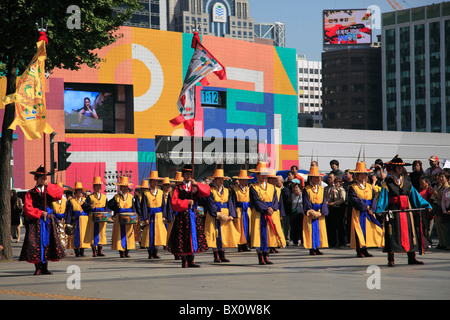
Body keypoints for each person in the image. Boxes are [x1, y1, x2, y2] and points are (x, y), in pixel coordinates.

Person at [375, 155, 432, 267]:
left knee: (411, 234)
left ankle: (412, 257)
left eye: (401, 167)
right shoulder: (388, 182)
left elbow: (415, 196)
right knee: (392, 234)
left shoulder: (407, 181)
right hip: (394, 212)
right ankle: (391, 259)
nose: (401, 169)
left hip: (406, 212)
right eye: (398, 167)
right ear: (394, 168)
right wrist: (380, 209)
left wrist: (426, 204)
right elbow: (383, 197)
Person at [19, 166, 65, 275]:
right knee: (36, 243)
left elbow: (59, 193)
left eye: (44, 178)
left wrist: (48, 185)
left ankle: (45, 267)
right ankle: (38, 267)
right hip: (36, 221)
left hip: (48, 220)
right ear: (36, 178)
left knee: (48, 242)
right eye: (40, 178)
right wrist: (39, 213)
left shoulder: (49, 190)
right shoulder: (30, 193)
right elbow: (27, 208)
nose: (43, 180)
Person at [167, 165, 210, 267]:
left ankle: (191, 259)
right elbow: (174, 202)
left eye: (190, 174)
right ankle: (184, 260)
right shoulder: (178, 187)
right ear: (183, 175)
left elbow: (207, 191)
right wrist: (186, 202)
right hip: (183, 216)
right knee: (183, 237)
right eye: (186, 174)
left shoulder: (195, 187)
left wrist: (197, 184)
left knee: (193, 236)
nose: (188, 176)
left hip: (193, 215)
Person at [248, 161, 284, 265]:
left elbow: (274, 200)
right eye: (261, 174)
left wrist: (272, 208)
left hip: (270, 214)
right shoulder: (253, 188)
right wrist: (266, 209)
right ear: (257, 175)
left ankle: (267, 256)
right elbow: (255, 201)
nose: (263, 177)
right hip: (259, 214)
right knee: (259, 233)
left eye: (265, 174)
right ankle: (260, 257)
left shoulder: (272, 187)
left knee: (269, 234)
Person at [347, 161, 383, 257]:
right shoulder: (353, 187)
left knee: (368, 230)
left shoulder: (369, 186)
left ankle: (365, 249)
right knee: (359, 230)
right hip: (359, 212)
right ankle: (359, 250)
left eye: (365, 175)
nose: (364, 176)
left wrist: (372, 208)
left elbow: (373, 198)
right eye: (361, 175)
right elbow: (354, 199)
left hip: (369, 211)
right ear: (357, 176)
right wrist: (365, 207)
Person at [205, 168, 239, 263]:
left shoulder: (227, 191)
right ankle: (216, 256)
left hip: (226, 213)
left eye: (222, 179)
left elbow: (230, 203)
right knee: (215, 234)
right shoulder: (210, 190)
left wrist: (232, 214)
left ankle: (222, 255)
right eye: (219, 179)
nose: (221, 181)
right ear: (214, 180)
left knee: (224, 234)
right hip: (215, 215)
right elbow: (210, 204)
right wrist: (218, 215)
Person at [108, 176, 138, 258]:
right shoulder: (116, 197)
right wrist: (116, 207)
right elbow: (109, 205)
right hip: (119, 219)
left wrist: (134, 216)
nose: (125, 188)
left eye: (126, 187)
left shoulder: (131, 197)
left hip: (129, 218)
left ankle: (127, 251)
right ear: (120, 188)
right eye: (123, 187)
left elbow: (134, 208)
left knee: (129, 234)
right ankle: (121, 251)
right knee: (119, 234)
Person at [302, 165, 329, 255]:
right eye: (315, 177)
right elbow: (306, 201)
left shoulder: (321, 189)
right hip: (311, 212)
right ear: (311, 178)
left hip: (319, 212)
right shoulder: (307, 189)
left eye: (318, 177)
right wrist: (311, 211)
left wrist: (323, 211)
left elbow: (324, 201)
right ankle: (311, 248)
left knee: (319, 230)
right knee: (311, 231)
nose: (317, 179)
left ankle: (317, 247)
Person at [141, 171, 167, 259]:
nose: (155, 183)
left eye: (156, 181)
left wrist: (164, 216)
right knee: (149, 234)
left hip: (159, 215)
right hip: (150, 215)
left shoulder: (160, 192)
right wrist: (145, 218)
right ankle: (150, 252)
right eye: (153, 181)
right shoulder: (146, 193)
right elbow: (144, 207)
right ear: (150, 182)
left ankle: (155, 252)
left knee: (158, 234)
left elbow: (164, 205)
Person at [82, 176, 109, 257]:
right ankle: (94, 251)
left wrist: (107, 214)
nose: (98, 187)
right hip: (93, 218)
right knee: (92, 233)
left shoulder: (104, 197)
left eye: (99, 186)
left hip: (102, 217)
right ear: (93, 187)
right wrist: (90, 207)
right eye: (97, 186)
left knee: (101, 233)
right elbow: (84, 206)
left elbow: (107, 207)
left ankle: (100, 250)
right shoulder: (90, 197)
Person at [66, 182, 91, 257]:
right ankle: (76, 251)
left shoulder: (85, 200)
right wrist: (68, 222)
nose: (80, 193)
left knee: (83, 236)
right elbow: (69, 212)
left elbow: (88, 210)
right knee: (74, 236)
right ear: (75, 193)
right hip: (75, 220)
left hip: (84, 221)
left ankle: (82, 251)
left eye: (81, 191)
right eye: (78, 191)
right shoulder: (71, 201)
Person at [230, 169, 253, 252]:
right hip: (239, 210)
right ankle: (240, 245)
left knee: (248, 228)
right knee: (240, 228)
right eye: (242, 180)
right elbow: (233, 202)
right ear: (239, 180)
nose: (244, 181)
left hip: (247, 210)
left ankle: (246, 244)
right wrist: (233, 213)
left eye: (245, 179)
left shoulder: (249, 189)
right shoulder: (235, 190)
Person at [267, 173, 287, 253]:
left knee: (277, 229)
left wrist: (281, 214)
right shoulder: (267, 189)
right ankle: (270, 245)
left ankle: (276, 244)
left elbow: (280, 203)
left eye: (274, 179)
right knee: (270, 229)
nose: (272, 180)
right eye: (271, 179)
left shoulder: (278, 190)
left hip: (276, 212)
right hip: (269, 211)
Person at [325, 175, 347, 248]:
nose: (337, 183)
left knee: (340, 226)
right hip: (331, 208)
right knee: (332, 226)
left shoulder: (340, 189)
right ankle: (332, 242)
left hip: (339, 208)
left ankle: (342, 242)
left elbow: (343, 199)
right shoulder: (327, 188)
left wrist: (335, 203)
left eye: (338, 182)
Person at [418, 175, 435, 248]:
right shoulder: (419, 190)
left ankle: (429, 241)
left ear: (427, 183)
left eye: (422, 183)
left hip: (428, 210)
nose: (421, 184)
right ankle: (425, 242)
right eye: (420, 183)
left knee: (429, 228)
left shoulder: (430, 191)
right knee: (423, 227)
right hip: (421, 210)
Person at [433, 171, 449, 249]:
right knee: (439, 227)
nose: (441, 179)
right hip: (439, 207)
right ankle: (442, 243)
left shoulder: (446, 187)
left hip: (444, 208)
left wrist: (436, 194)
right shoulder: (441, 187)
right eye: (440, 177)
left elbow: (443, 198)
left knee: (443, 228)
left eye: (443, 177)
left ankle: (445, 243)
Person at [289, 179, 304, 246]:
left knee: (300, 227)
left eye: (297, 188)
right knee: (293, 227)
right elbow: (290, 203)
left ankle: (300, 239)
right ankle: (293, 240)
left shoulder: (302, 195)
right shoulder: (292, 195)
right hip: (293, 213)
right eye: (294, 188)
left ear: (300, 188)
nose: (295, 189)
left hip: (301, 213)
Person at [441, 175, 450, 249]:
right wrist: (444, 209)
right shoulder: (446, 190)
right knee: (447, 229)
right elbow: (443, 201)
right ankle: (448, 244)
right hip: (447, 211)